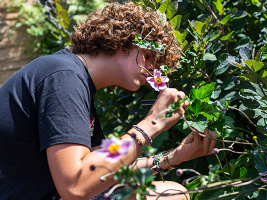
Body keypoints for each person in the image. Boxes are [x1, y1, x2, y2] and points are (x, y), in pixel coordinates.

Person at [0, 2, 217, 200]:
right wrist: (152, 124)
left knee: (172, 193)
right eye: (149, 56)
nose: (153, 69)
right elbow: (75, 186)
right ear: (122, 41)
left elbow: (101, 169)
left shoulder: (74, 77)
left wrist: (174, 157)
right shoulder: (63, 77)